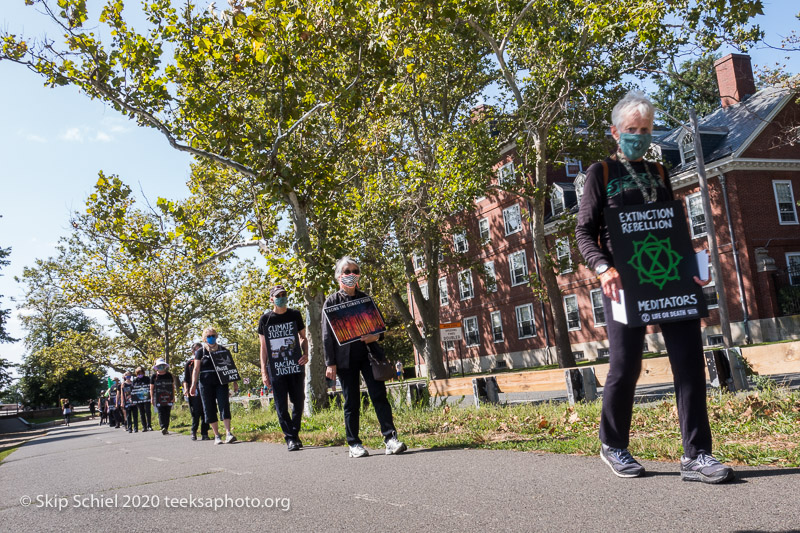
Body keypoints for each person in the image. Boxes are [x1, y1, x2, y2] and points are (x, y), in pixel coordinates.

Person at [575, 90, 734, 484]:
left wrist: (695, 265)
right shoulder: (601, 173)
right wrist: (602, 269)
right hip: (622, 284)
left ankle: (696, 455)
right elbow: (583, 231)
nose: (640, 136)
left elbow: (672, 226)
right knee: (625, 364)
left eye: (645, 129)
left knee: (689, 362)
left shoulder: (660, 173)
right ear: (615, 132)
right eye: (632, 129)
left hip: (668, 277)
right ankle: (613, 444)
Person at [323, 256, 406, 458]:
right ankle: (354, 444)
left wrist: (374, 336)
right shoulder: (331, 302)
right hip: (345, 361)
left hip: (370, 357)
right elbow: (327, 336)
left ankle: (390, 439)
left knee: (379, 396)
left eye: (354, 271)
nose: (351, 275)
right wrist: (330, 363)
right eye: (347, 271)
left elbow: (382, 329)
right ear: (338, 276)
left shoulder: (366, 300)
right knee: (351, 402)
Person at [258, 285, 308, 451]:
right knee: (281, 404)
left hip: (295, 365)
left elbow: (303, 337)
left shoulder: (295, 315)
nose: (282, 297)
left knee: (299, 401)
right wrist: (264, 371)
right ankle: (290, 438)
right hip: (276, 368)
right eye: (278, 295)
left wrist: (306, 353)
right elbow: (263, 347)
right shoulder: (265, 320)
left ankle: (294, 432)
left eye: (284, 294)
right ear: (271, 299)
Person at [190, 328, 239, 445]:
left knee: (224, 405)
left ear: (216, 337)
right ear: (204, 338)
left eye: (213, 335)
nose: (211, 337)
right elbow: (196, 369)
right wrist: (193, 385)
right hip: (205, 383)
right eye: (208, 336)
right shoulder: (200, 352)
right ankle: (217, 435)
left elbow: (230, 367)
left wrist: (234, 382)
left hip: (221, 382)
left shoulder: (223, 350)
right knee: (209, 407)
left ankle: (228, 433)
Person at [184, 343, 210, 441]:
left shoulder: (205, 361)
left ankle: (205, 433)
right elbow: (186, 379)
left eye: (200, 350)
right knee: (196, 412)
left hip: (205, 389)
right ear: (193, 351)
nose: (198, 352)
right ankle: (193, 431)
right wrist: (186, 389)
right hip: (194, 391)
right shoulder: (189, 363)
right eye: (196, 350)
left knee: (205, 412)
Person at [150, 358, 175, 435]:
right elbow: (151, 388)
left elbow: (172, 386)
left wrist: (173, 397)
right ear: (156, 367)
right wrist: (151, 398)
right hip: (158, 397)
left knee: (167, 412)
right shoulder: (154, 376)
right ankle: (163, 427)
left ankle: (166, 427)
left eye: (162, 365)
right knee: (161, 412)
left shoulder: (169, 375)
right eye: (159, 366)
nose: (161, 367)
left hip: (168, 397)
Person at [132, 366, 153, 432]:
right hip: (139, 399)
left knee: (148, 411)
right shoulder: (135, 380)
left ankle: (149, 425)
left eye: (141, 373)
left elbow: (150, 387)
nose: (140, 375)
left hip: (147, 397)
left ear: (143, 373)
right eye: (138, 374)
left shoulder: (147, 379)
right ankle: (144, 427)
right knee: (141, 412)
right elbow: (133, 390)